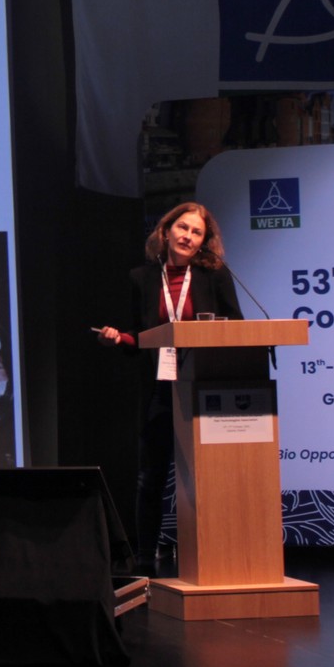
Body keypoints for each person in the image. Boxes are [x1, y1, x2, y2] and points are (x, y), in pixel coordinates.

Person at [96, 201, 242, 575]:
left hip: (204, 387)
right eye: (182, 227)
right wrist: (119, 338)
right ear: (166, 230)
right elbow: (140, 334)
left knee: (209, 475)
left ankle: (218, 553)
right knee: (151, 476)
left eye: (196, 232)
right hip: (160, 387)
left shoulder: (215, 276)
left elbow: (236, 326)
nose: (187, 236)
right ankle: (146, 558)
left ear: (205, 242)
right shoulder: (141, 278)